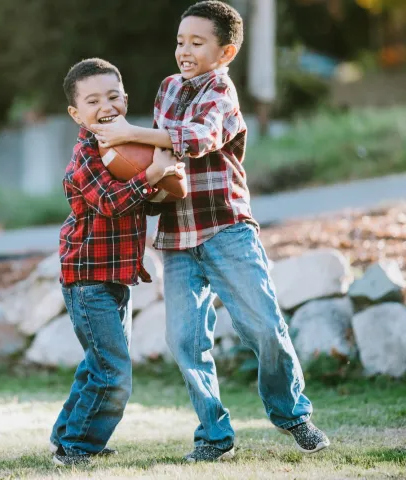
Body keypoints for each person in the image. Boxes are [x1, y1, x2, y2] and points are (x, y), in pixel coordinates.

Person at [92, 1, 330, 462]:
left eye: (197, 43)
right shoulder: (166, 88)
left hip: (226, 230)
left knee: (264, 326)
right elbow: (163, 160)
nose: (184, 50)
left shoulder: (221, 91)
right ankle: (214, 434)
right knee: (184, 341)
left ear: (226, 52)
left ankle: (292, 413)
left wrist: (130, 132)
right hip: (177, 238)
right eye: (181, 41)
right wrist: (146, 175)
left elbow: (196, 140)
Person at [50, 58, 184, 467]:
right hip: (87, 280)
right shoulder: (85, 159)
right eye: (92, 100)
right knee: (114, 373)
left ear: (125, 100)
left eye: (112, 96)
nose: (105, 105)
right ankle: (78, 447)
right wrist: (152, 175)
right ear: (77, 113)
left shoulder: (129, 148)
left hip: (115, 278)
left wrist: (163, 181)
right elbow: (110, 203)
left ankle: (66, 436)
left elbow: (145, 203)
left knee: (98, 364)